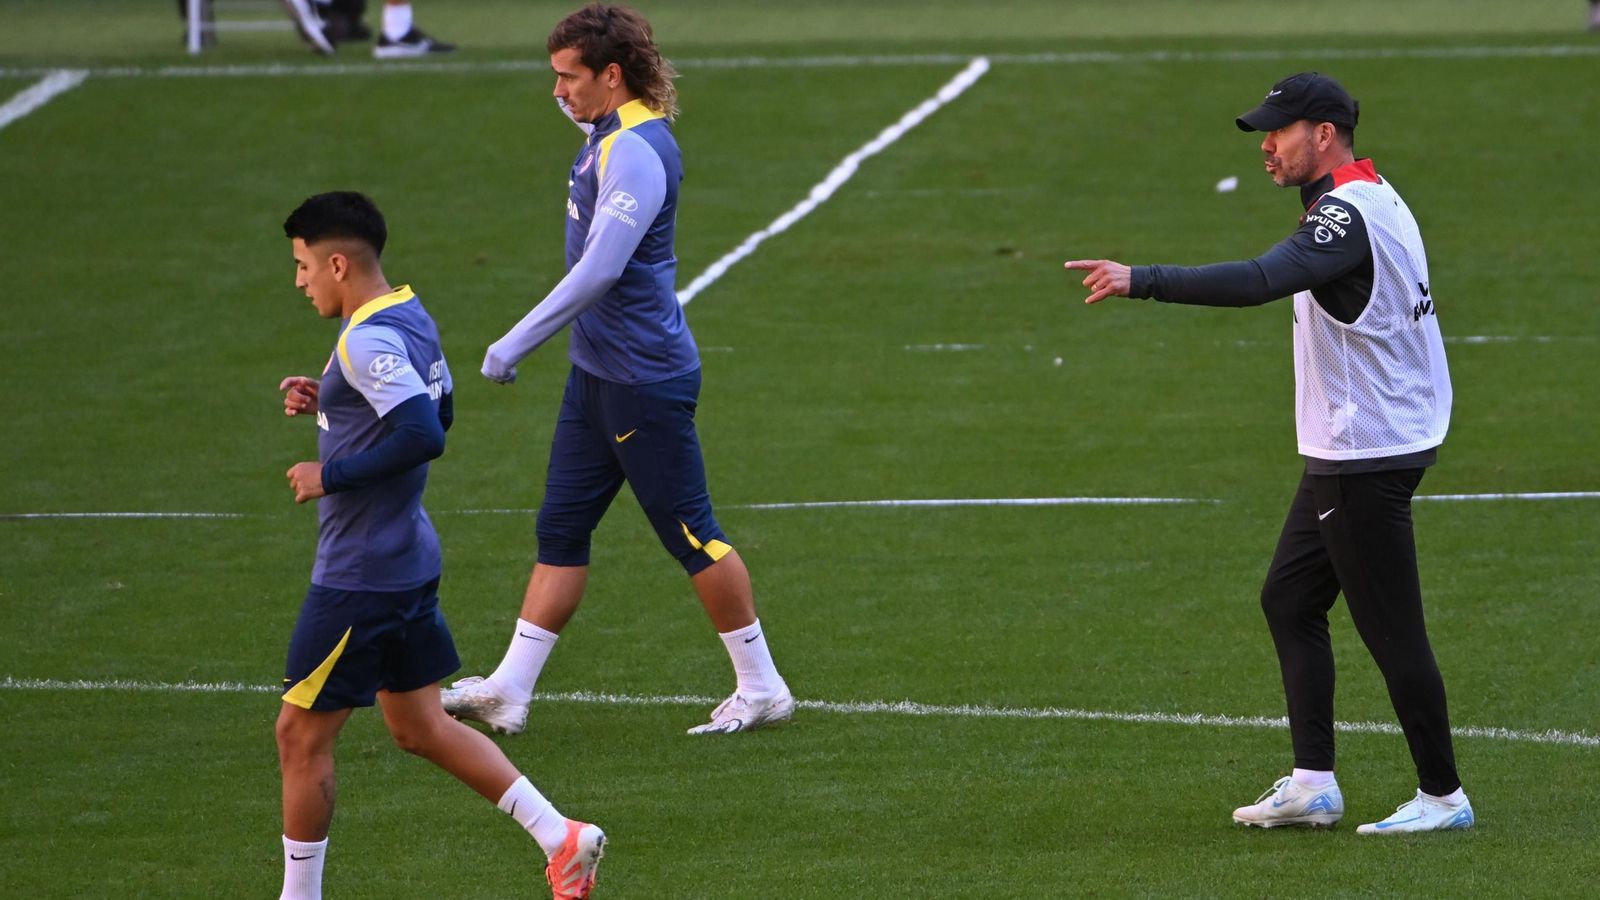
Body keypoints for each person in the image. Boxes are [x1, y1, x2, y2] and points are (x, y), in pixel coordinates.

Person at [1064, 73, 1473, 835]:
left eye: (1279, 132)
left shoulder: (1342, 218)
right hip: (1367, 440)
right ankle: (1314, 783)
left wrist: (1141, 280)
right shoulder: (1371, 191)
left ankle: (1443, 796)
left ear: (1324, 134)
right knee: (1289, 599)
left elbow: (1259, 280)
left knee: (1392, 630)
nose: (1266, 147)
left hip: (1366, 450)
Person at [440, 3, 793, 738]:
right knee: (561, 529)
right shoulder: (608, 130)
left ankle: (762, 686)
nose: (557, 92)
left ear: (611, 74)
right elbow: (595, 119)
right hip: (597, 374)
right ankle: (510, 688)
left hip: (642, 378)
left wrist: (513, 342)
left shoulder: (634, 151)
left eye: (570, 77)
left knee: (690, 534)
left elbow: (603, 266)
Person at [274, 192, 604, 900]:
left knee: (299, 739)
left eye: (303, 266)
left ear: (337, 263)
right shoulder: (407, 314)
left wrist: (327, 472)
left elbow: (426, 432)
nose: (299, 281)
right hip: (407, 561)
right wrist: (332, 402)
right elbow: (435, 404)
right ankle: (561, 837)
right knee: (420, 727)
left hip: (360, 577)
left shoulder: (364, 339)